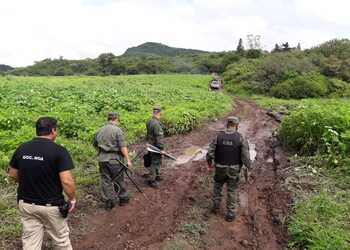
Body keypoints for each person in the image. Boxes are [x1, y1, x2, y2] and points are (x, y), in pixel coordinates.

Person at [8, 117, 76, 250]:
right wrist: (72, 199)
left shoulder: (22, 148)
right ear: (53, 130)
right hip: (51, 205)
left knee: (30, 243)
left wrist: (28, 181)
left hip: (26, 204)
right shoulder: (59, 151)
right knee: (61, 241)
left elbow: (12, 174)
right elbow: (67, 181)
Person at [206, 116, 251, 222]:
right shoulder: (241, 138)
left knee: (217, 186)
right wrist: (248, 168)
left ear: (227, 124)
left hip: (220, 167)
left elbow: (209, 153)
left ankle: (215, 206)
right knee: (232, 190)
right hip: (234, 169)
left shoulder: (218, 136)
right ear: (237, 125)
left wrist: (209, 164)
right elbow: (246, 157)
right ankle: (230, 213)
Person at [93, 112, 132, 210]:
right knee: (118, 179)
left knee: (105, 180)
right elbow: (122, 146)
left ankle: (109, 201)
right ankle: (123, 198)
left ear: (108, 119)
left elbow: (94, 144)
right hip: (114, 159)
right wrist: (128, 159)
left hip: (102, 159)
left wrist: (102, 151)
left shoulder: (100, 130)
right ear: (116, 119)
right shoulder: (117, 130)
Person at [145, 107, 165, 188]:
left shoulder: (149, 121)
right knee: (155, 162)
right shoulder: (156, 124)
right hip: (155, 146)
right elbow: (159, 137)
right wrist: (161, 149)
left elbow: (148, 134)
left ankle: (158, 175)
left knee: (155, 161)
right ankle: (151, 180)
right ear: (159, 113)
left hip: (150, 145)